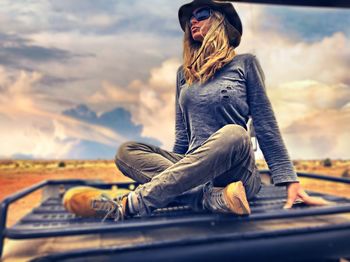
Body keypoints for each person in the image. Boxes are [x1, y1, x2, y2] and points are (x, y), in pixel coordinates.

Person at [63, 0, 331, 221]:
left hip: (236, 171)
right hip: (196, 169)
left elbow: (265, 124)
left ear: (221, 22)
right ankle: (214, 199)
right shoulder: (184, 75)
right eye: (190, 18)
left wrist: (290, 181)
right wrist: (175, 177)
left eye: (201, 14)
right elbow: (182, 137)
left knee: (235, 134)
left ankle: (128, 205)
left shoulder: (245, 64)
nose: (193, 20)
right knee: (126, 152)